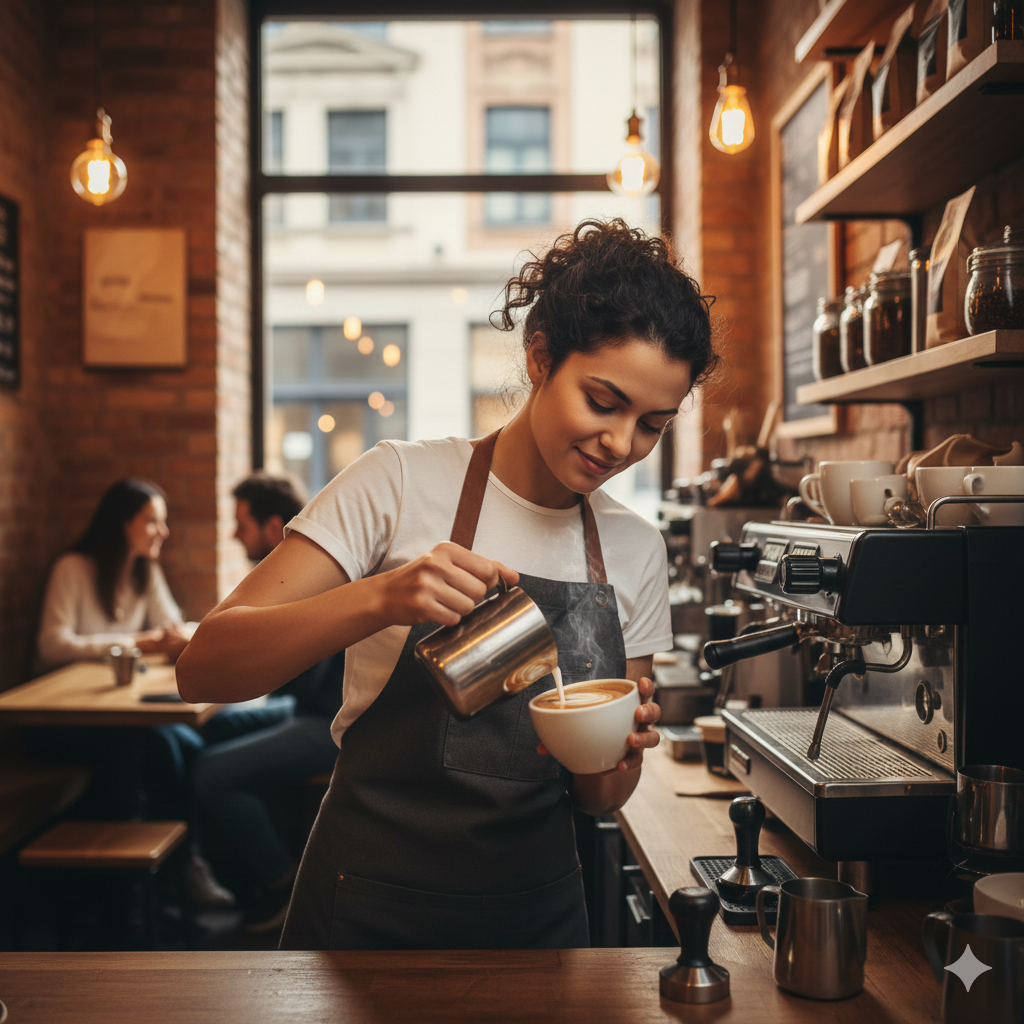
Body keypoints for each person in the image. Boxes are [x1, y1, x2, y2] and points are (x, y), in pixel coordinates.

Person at [177, 219, 717, 950]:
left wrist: (620, 755)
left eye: (652, 424)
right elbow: (204, 664)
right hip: (364, 909)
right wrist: (382, 597)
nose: (621, 444)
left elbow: (600, 796)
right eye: (602, 401)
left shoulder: (634, 548)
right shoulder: (399, 481)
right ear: (539, 356)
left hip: (538, 920)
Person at [33, 479, 234, 909]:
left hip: (114, 711)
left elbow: (173, 628)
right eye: (153, 522)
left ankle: (176, 869)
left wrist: (177, 639)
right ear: (122, 524)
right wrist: (139, 642)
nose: (163, 532)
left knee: (182, 743)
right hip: (56, 719)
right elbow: (52, 645)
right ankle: (138, 892)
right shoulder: (74, 567)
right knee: (145, 746)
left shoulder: (146, 571)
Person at [191, 473, 345, 933]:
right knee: (210, 729)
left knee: (210, 772)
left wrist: (247, 657)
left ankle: (281, 883)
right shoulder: (288, 574)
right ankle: (194, 865)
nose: (235, 535)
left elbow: (295, 681)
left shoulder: (304, 575)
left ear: (272, 523)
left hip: (331, 719)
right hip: (310, 706)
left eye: (241, 524)